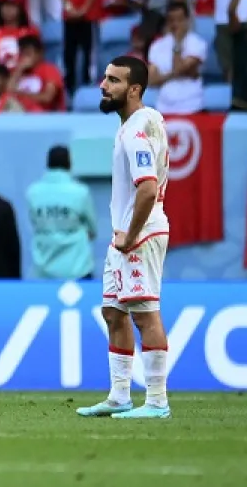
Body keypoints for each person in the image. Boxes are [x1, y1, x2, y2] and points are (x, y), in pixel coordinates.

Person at [76, 55, 172, 420]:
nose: (103, 85)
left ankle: (157, 401)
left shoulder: (135, 131)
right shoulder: (143, 123)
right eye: (104, 78)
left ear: (134, 89)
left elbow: (147, 189)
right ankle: (119, 396)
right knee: (114, 312)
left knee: (145, 315)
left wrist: (130, 236)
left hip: (139, 233)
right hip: (128, 233)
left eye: (113, 80)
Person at [26, 145, 97, 280]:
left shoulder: (33, 192)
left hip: (43, 269)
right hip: (78, 268)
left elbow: (34, 223)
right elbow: (92, 230)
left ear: (48, 164)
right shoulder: (80, 192)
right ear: (69, 164)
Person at [147, 1, 207, 115]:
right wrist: (176, 74)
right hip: (164, 108)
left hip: (192, 106)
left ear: (187, 20)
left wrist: (177, 44)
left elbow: (178, 67)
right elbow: (151, 80)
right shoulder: (157, 46)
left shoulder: (197, 43)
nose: (176, 24)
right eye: (171, 20)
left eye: (180, 19)